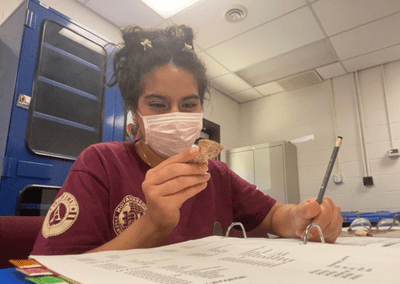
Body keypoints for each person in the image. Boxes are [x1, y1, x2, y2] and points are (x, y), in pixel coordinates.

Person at [31, 25, 342, 255]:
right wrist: (153, 223)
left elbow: (274, 215)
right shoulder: (101, 163)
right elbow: (51, 273)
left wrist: (301, 217)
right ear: (134, 114)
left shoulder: (216, 175)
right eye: (157, 104)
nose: (177, 115)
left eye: (189, 104)